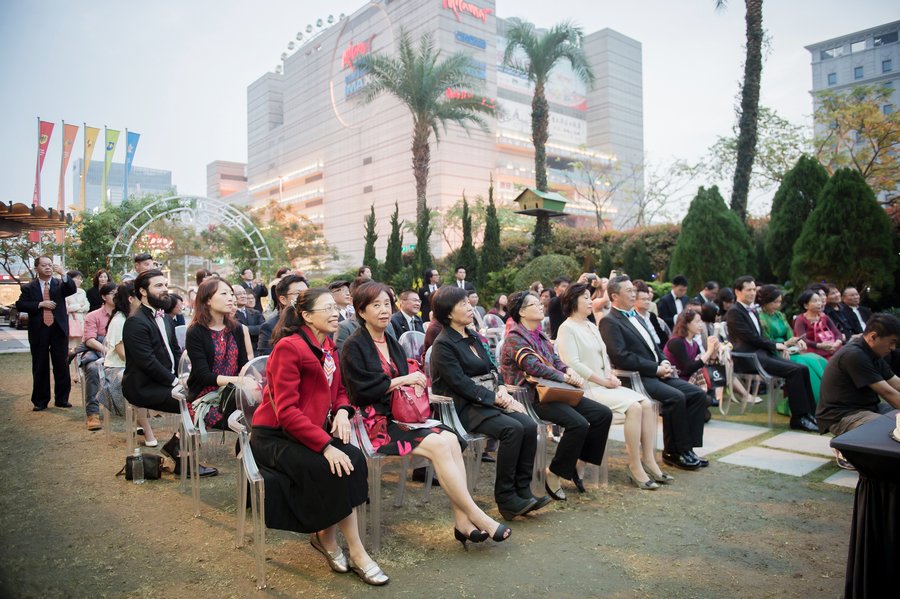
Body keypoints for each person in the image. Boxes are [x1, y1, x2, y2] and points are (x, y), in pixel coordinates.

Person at [341, 281, 512, 546]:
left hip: (400, 417)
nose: (384, 310)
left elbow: (402, 382)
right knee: (439, 446)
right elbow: (359, 392)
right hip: (373, 423)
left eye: (387, 304)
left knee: (451, 439)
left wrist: (414, 384)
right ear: (361, 312)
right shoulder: (355, 345)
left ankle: (462, 522)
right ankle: (477, 514)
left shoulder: (390, 341)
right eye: (376, 305)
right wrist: (402, 380)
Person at [251, 287, 388, 585]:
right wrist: (326, 446)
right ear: (306, 316)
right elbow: (285, 412)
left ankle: (324, 537)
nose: (335, 312)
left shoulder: (329, 346)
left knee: (353, 459)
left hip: (308, 431)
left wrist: (342, 412)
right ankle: (355, 551)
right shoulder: (289, 347)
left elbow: (340, 392)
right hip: (275, 436)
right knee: (331, 466)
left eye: (334, 307)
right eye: (326, 308)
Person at [430, 286, 551, 517]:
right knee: (512, 429)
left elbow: (493, 368)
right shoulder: (443, 344)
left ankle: (522, 491)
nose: (469, 307)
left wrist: (504, 389)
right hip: (462, 406)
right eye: (463, 304)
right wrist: (499, 400)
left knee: (528, 424)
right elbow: (460, 384)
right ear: (447, 313)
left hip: (488, 401)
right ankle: (506, 498)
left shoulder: (473, 336)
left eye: (468, 302)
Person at [501, 290, 613, 499]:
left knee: (602, 414)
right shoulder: (514, 338)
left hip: (553, 392)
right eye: (534, 304)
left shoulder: (540, 335)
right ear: (522, 312)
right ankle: (553, 474)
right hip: (530, 397)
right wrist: (564, 377)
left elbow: (555, 359)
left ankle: (573, 465)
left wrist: (568, 370)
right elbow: (533, 367)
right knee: (578, 424)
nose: (541, 306)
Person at [557, 283, 669, 489]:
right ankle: (635, 466)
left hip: (604, 384)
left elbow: (605, 356)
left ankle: (648, 460)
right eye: (586, 298)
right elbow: (573, 364)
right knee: (634, 406)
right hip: (586, 388)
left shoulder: (591, 325)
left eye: (590, 297)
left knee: (646, 404)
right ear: (573, 302)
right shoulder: (567, 328)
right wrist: (603, 381)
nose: (591, 301)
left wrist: (611, 376)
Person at [599, 276, 708, 471]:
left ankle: (687, 447)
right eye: (629, 291)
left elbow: (654, 347)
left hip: (656, 372)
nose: (634, 294)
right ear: (614, 296)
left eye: (634, 290)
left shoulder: (638, 316)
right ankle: (674, 452)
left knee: (697, 394)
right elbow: (622, 357)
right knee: (676, 397)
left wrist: (663, 361)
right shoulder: (609, 321)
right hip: (634, 377)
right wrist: (655, 368)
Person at [123, 270, 216, 477]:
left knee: (208, 394)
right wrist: (175, 381)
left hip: (167, 381)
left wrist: (184, 375)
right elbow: (147, 362)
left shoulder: (165, 318)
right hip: (144, 387)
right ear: (143, 291)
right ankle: (183, 455)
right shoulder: (134, 322)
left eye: (165, 284)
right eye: (158, 285)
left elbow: (175, 351)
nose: (165, 289)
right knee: (196, 402)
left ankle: (178, 446)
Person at [725, 276, 818, 432]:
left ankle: (809, 413)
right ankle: (798, 418)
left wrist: (782, 347)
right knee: (794, 370)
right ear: (737, 291)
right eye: (749, 290)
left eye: (754, 289)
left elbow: (760, 337)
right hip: (749, 358)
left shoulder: (752, 310)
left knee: (802, 368)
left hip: (762, 354)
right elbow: (751, 338)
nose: (753, 293)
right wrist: (777, 345)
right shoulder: (735, 312)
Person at [816, 314, 900, 468]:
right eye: (892, 342)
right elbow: (888, 393)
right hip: (841, 415)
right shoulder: (854, 355)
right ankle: (847, 449)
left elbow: (896, 383)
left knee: (895, 421)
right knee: (891, 430)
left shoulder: (873, 353)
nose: (893, 348)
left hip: (868, 407)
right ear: (873, 337)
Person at [185, 279, 251, 436]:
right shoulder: (196, 332)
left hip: (234, 394)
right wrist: (240, 381)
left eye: (231, 294)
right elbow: (203, 376)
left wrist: (249, 383)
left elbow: (243, 364)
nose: (231, 298)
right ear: (207, 300)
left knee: (264, 415)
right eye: (224, 293)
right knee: (249, 421)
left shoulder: (237, 328)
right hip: (206, 397)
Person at [16, 256, 77, 411]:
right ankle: (40, 401)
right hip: (39, 330)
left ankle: (62, 399)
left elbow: (72, 289)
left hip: (58, 329)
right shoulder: (29, 287)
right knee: (40, 365)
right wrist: (39, 304)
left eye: (50, 265)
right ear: (37, 268)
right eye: (44, 265)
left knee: (61, 365)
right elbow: (20, 305)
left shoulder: (59, 283)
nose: (48, 268)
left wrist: (64, 274)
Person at [756, 285, 827, 415]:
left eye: (779, 301)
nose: (778, 305)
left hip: (789, 349)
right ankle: (814, 403)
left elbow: (789, 333)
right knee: (805, 364)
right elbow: (765, 340)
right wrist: (784, 345)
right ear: (766, 301)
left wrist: (797, 340)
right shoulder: (760, 317)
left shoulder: (779, 315)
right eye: (775, 302)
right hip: (774, 352)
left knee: (815, 358)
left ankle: (826, 398)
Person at [105, 283, 156, 444]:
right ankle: (148, 433)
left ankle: (143, 421)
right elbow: (122, 354)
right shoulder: (119, 320)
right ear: (131, 299)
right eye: (140, 298)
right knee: (136, 385)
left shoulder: (134, 318)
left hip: (131, 366)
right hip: (116, 368)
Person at [80, 282, 117, 430]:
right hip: (97, 352)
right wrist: (106, 350)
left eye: (118, 293)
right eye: (112, 293)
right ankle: (93, 414)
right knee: (94, 369)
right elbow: (89, 339)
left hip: (119, 353)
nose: (116, 296)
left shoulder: (123, 315)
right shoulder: (93, 315)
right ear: (103, 296)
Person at [664, 310, 721, 406]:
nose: (701, 325)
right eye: (697, 322)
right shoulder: (677, 342)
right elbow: (688, 368)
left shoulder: (694, 343)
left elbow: (702, 364)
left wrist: (714, 352)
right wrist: (709, 351)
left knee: (705, 409)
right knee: (705, 401)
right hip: (674, 379)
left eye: (701, 321)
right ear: (686, 324)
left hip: (689, 380)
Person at [257, 274, 308, 356]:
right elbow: (266, 360)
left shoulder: (314, 322)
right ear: (283, 300)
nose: (304, 297)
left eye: (306, 293)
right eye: (298, 293)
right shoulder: (270, 327)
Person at [793, 290, 844, 359]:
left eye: (819, 300)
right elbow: (803, 339)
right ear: (806, 305)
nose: (819, 303)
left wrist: (836, 344)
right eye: (815, 301)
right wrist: (820, 346)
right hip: (813, 350)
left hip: (831, 347)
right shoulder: (800, 319)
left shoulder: (824, 317)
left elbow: (837, 333)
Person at [65, 270, 89, 383]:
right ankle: (69, 374)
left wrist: (78, 307)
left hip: (82, 322)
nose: (79, 280)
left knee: (80, 350)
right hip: (70, 323)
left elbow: (87, 306)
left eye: (80, 278)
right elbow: (66, 308)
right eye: (77, 278)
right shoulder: (64, 291)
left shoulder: (82, 292)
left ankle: (78, 374)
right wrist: (79, 306)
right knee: (70, 350)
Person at [633, 280, 669, 347]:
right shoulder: (632, 318)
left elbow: (663, 338)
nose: (647, 302)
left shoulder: (652, 316)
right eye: (643, 299)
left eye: (648, 299)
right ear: (635, 301)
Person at [233, 285, 265, 350]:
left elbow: (263, 328)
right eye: (239, 294)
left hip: (257, 348)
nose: (243, 296)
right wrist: (255, 329)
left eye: (244, 293)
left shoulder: (256, 312)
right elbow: (237, 330)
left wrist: (245, 329)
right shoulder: (231, 314)